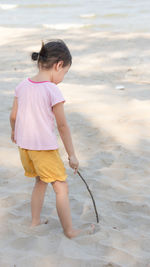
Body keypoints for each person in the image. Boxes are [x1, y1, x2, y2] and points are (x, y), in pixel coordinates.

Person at [9, 39, 95, 239]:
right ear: (58, 65)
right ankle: (70, 231)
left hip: (25, 148)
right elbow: (63, 126)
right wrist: (72, 155)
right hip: (43, 149)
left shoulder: (22, 86)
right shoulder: (52, 90)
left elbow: (13, 116)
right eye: (64, 72)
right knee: (61, 187)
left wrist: (14, 132)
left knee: (40, 181)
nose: (62, 78)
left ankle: (35, 221)